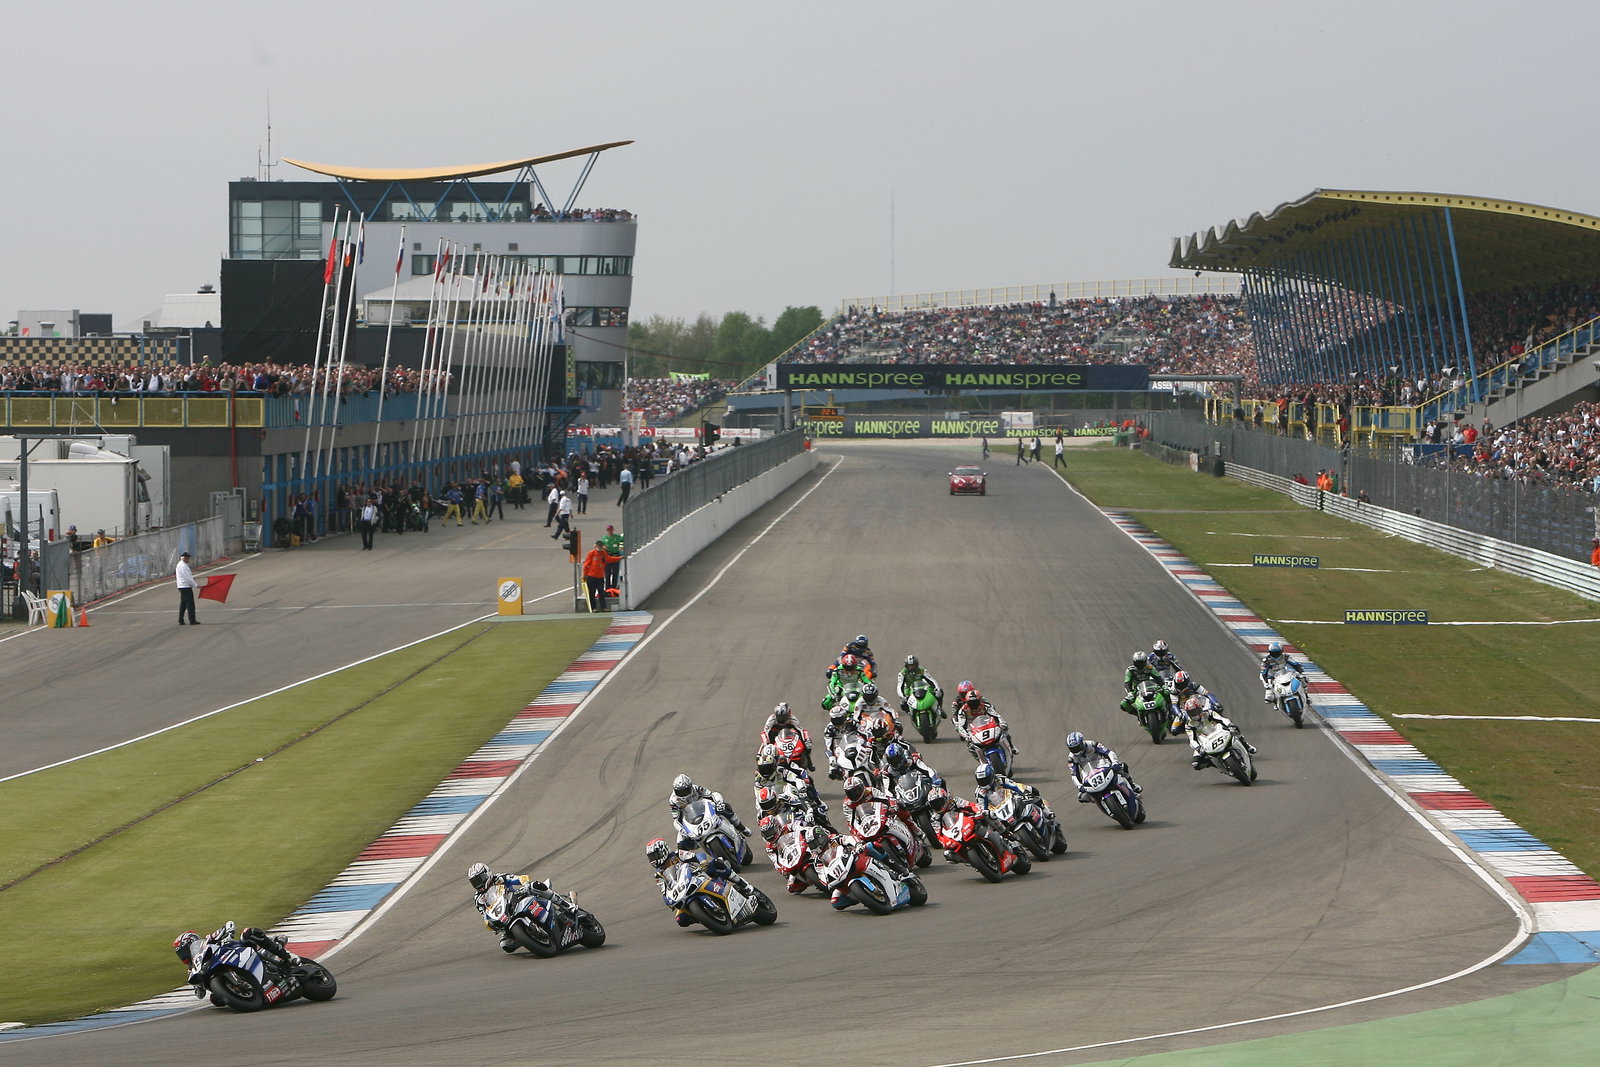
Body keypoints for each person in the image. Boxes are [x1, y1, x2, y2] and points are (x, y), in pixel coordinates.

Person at [645, 838, 756, 926]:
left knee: (717, 863)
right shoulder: (658, 873)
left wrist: (702, 861)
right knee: (681, 920)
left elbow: (697, 855)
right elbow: (664, 890)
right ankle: (706, 917)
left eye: (654, 855)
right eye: (651, 857)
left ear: (663, 850)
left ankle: (744, 884)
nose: (653, 859)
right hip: (683, 890)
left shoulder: (677, 854)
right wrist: (668, 901)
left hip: (699, 875)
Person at [174, 922, 297, 987]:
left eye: (184, 950)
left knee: (248, 932)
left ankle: (288, 956)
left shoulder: (207, 941)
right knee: (216, 1001)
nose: (184, 955)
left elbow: (229, 925)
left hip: (239, 950)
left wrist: (227, 934)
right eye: (181, 953)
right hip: (225, 970)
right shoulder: (193, 970)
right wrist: (199, 984)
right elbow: (199, 994)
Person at [467, 862, 549, 952]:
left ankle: (565, 904)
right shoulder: (478, 899)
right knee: (506, 944)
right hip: (504, 916)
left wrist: (525, 884)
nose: (478, 884)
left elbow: (520, 878)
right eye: (474, 882)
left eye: (479, 879)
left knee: (535, 886)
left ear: (487, 873)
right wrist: (489, 923)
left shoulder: (499, 878)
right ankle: (526, 938)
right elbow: (485, 915)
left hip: (518, 900)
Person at [1180, 695, 1258, 770]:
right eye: (1192, 712)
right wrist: (1198, 748)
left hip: (1219, 731)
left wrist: (1229, 724)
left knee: (1234, 729)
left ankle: (1246, 745)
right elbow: (1192, 740)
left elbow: (1222, 719)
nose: (1195, 714)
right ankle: (1214, 763)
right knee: (1196, 765)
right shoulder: (1189, 724)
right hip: (1204, 742)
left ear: (1200, 707)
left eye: (1196, 711)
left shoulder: (1208, 713)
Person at [668, 773, 752, 836]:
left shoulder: (696, 789)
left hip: (703, 810)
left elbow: (713, 794)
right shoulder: (673, 800)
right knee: (681, 843)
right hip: (689, 819)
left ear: (690, 787)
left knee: (726, 807)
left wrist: (719, 803)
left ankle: (741, 828)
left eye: (685, 790)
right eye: (679, 791)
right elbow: (676, 819)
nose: (683, 794)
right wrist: (682, 830)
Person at [1064, 731, 1143, 796]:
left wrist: (1114, 763)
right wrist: (1079, 786)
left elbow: (1108, 753)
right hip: (1088, 773)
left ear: (1082, 742)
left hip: (1102, 765)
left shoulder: (1092, 744)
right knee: (1081, 796)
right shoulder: (1071, 758)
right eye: (1072, 748)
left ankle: (1132, 785)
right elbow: (1074, 774)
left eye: (1077, 747)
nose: (1076, 750)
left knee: (1122, 766)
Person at [759, 702, 816, 771]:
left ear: (788, 714)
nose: (781, 720)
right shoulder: (771, 719)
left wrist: (806, 740)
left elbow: (801, 731)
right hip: (774, 735)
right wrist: (766, 744)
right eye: (779, 717)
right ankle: (762, 762)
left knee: (807, 745)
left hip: (788, 735)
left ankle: (809, 761)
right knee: (765, 749)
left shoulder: (793, 719)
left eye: (783, 717)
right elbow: (765, 733)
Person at [1118, 651, 1163, 716]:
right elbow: (1127, 683)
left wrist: (1163, 686)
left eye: (1142, 662)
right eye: (1138, 663)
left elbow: (1158, 677)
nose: (1140, 665)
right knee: (1124, 704)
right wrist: (1130, 693)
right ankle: (1138, 714)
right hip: (1137, 689)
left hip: (1151, 686)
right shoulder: (1130, 670)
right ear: (1134, 662)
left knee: (1166, 693)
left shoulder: (1150, 667)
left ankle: (1170, 709)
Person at [582, 541, 622, 610]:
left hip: (600, 577)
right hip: (591, 576)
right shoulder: (591, 553)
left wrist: (618, 558)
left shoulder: (603, 553)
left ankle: (604, 607)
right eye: (598, 546)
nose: (599, 547)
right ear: (595, 546)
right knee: (592, 592)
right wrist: (584, 575)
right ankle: (593, 608)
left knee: (601, 592)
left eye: (600, 546)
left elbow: (609, 559)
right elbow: (586, 565)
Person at [176, 550, 200, 625]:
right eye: (188, 558)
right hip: (185, 586)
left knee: (183, 604)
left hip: (182, 586)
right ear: (185, 558)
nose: (189, 560)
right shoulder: (183, 566)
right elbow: (187, 578)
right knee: (190, 604)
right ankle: (192, 620)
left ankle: (181, 619)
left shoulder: (180, 564)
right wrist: (196, 585)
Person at [598, 524, 625, 591]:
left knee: (615, 573)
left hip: (615, 556)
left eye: (610, 529)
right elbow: (600, 545)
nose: (609, 531)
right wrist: (603, 547)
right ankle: (607, 587)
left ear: (612, 530)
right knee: (607, 573)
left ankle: (614, 587)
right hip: (608, 557)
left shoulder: (617, 537)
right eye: (608, 530)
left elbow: (622, 539)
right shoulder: (605, 538)